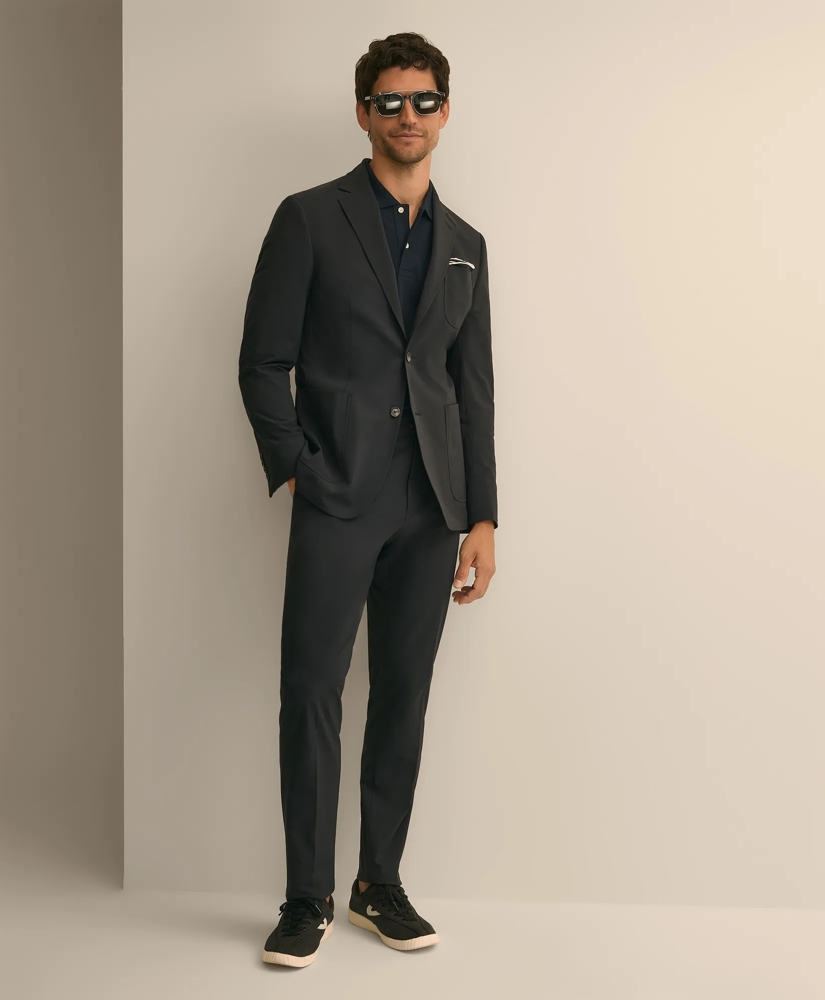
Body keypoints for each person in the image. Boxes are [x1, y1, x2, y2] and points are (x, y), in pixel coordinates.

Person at [238, 31, 498, 968]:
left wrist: (481, 516)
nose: (407, 116)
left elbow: (473, 389)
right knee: (310, 691)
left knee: (403, 693)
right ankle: (305, 897)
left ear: (444, 111)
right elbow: (262, 360)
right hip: (338, 491)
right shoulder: (310, 218)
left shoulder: (465, 246)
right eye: (389, 101)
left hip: (431, 507)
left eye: (423, 100)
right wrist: (297, 465)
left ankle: (375, 885)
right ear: (363, 112)